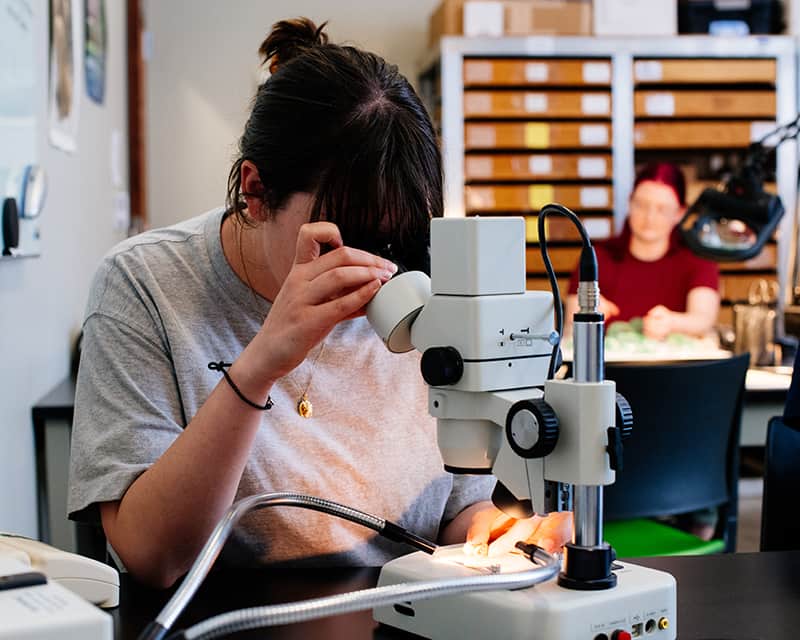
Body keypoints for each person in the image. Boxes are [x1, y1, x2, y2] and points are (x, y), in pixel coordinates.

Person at [67, 18, 570, 589]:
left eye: (399, 241)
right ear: (255, 192)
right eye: (351, 237)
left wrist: (498, 535)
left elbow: (456, 512)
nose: (380, 269)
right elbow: (152, 557)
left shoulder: (423, 285)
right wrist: (259, 367)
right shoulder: (144, 285)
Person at [565, 162, 720, 340]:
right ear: (630, 203)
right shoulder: (597, 258)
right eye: (641, 205)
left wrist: (672, 323)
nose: (649, 217)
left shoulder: (698, 260)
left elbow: (702, 319)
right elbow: (571, 319)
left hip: (676, 366)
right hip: (609, 367)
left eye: (662, 209)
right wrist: (587, 312)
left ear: (680, 213)